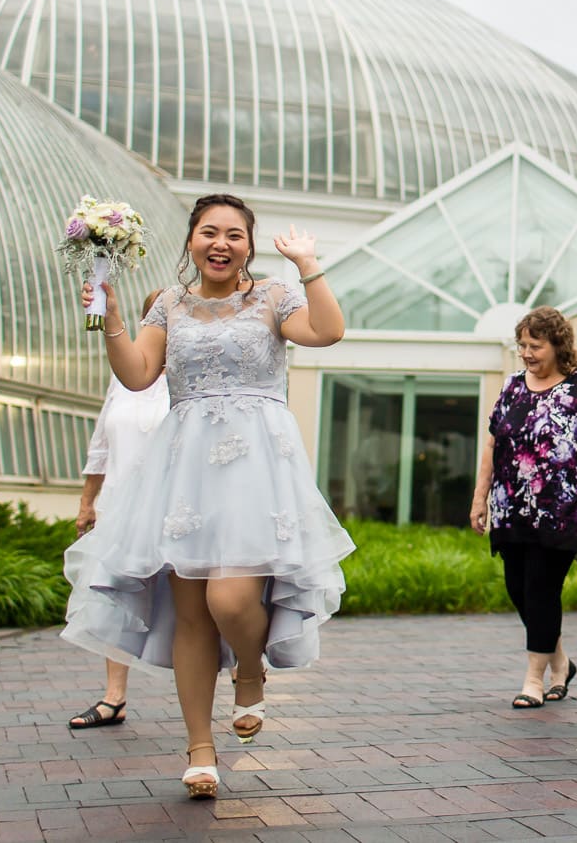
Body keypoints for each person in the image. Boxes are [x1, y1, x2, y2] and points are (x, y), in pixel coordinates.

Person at [62, 193, 356, 800]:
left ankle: (251, 667)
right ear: (191, 241)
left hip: (257, 466)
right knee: (190, 613)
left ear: (249, 243)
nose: (220, 244)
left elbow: (327, 331)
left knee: (230, 598)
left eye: (234, 235)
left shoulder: (273, 296)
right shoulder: (168, 304)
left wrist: (309, 265)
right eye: (207, 233)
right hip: (184, 464)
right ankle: (200, 749)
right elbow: (138, 374)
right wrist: (111, 312)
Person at [469, 307, 577, 709]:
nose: (527, 353)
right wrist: (480, 497)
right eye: (522, 345)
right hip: (512, 506)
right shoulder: (514, 386)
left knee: (541, 588)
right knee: (518, 589)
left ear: (557, 345)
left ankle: (534, 680)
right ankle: (561, 662)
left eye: (536, 346)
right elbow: (492, 443)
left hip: (565, 510)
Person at [67, 289, 170, 731]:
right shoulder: (125, 374)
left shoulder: (190, 376)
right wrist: (88, 502)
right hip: (119, 504)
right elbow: (102, 443)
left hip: (171, 508)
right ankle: (114, 698)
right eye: (154, 317)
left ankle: (222, 686)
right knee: (115, 596)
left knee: (189, 602)